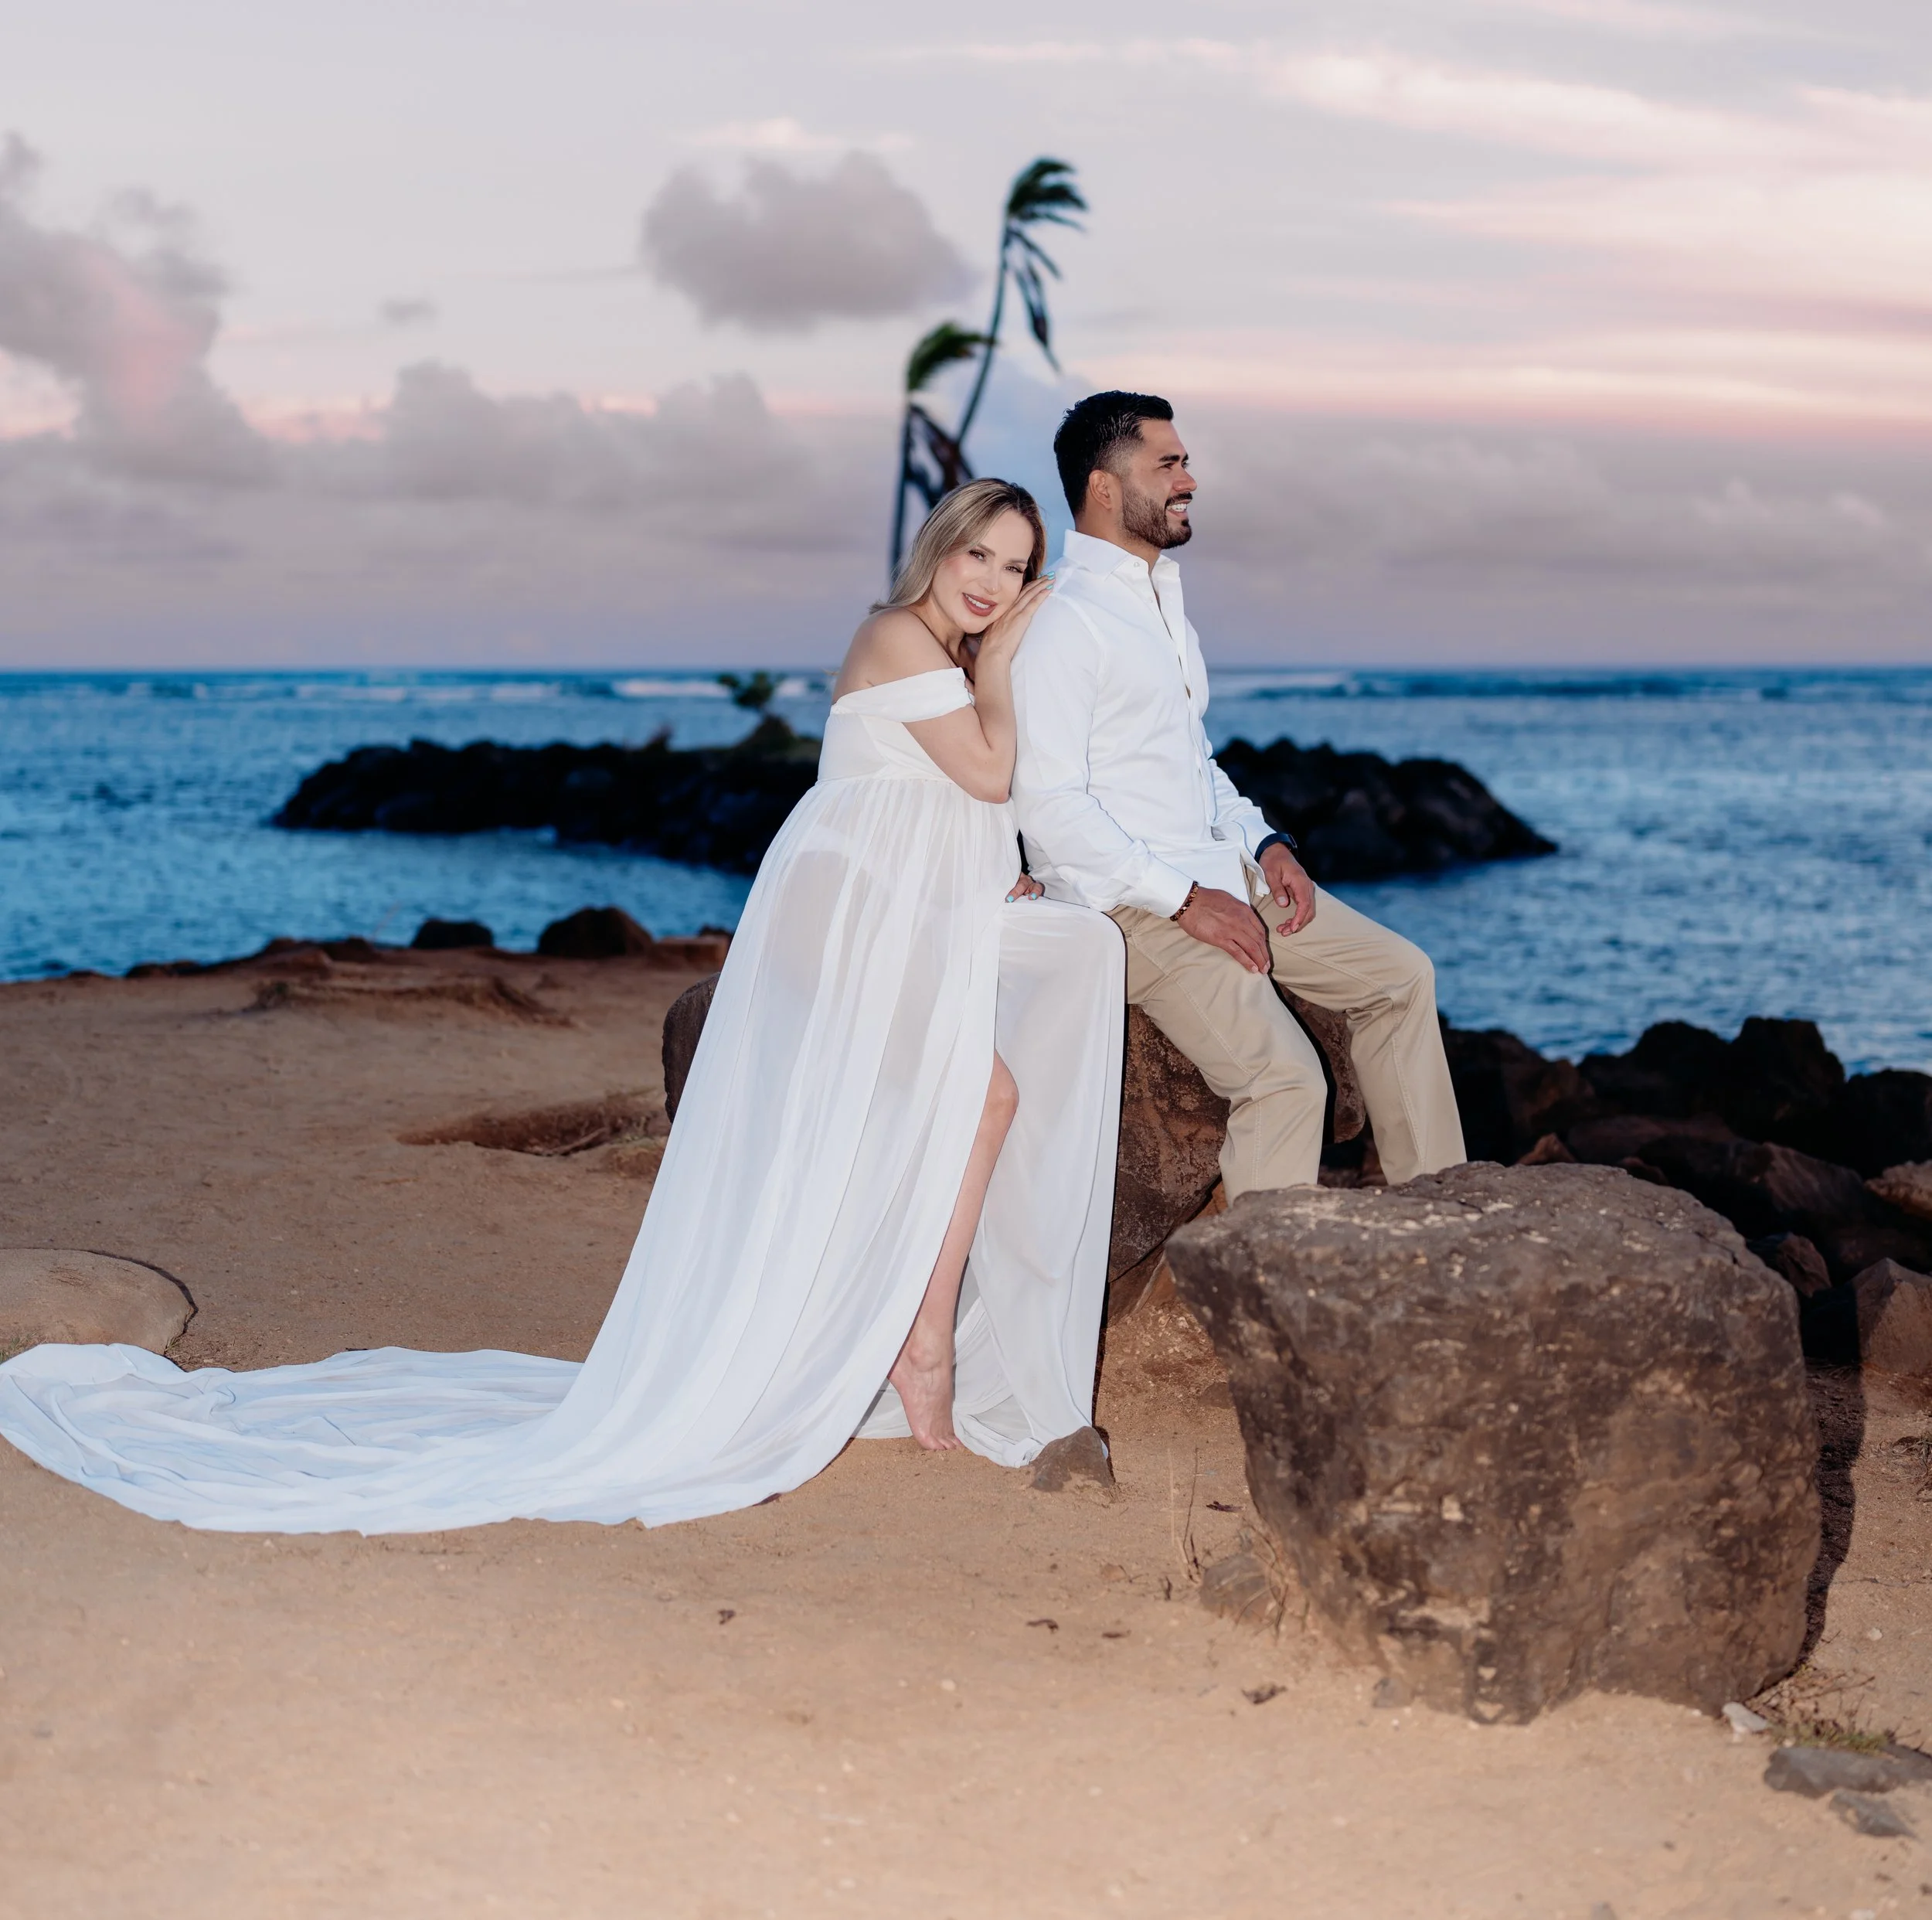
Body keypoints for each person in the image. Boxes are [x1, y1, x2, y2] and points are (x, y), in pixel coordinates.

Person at [0, 480, 1124, 1532]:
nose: (991, 579)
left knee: (966, 1105)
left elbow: (962, 806)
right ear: (943, 546)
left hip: (907, 916)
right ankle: (917, 1347)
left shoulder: (947, 656)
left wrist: (1000, 872)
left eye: (1017, 568)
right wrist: (1013, 655)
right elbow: (984, 772)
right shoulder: (897, 634)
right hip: (847, 915)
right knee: (978, 1099)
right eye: (981, 552)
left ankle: (898, 1338)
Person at [1013, 393, 1465, 1200]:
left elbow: (1192, 763)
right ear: (1105, 488)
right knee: (1287, 1083)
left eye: (1184, 461)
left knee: (1400, 977)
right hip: (1128, 904)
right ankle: (1253, 1306)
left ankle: (1437, 1211)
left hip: (1220, 869)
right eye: (1169, 463)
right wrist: (1186, 901)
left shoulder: (1160, 607)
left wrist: (1265, 844)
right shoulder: (1062, 623)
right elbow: (1049, 809)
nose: (1190, 478)